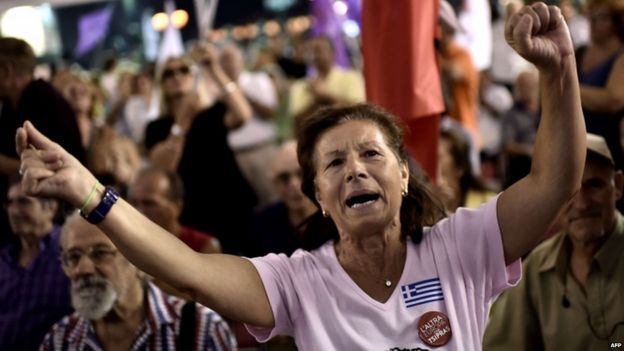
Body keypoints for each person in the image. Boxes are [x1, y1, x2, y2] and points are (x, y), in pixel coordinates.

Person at [17, 3, 585, 349]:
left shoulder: (460, 246)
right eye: (335, 163)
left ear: (405, 177)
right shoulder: (297, 282)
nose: (355, 169)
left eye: (371, 155)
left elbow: (553, 183)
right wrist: (90, 192)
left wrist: (559, 73)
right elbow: (188, 274)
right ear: (319, 196)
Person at [483, 134, 624, 350]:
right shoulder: (538, 267)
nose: (582, 204)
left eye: (594, 185)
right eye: (568, 192)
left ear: (618, 186)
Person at [40, 213, 236, 351]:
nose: (82, 269)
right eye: (73, 257)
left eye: (100, 253)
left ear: (141, 263)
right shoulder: (61, 339)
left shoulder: (201, 329)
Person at [144, 46, 257, 255]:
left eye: (183, 70)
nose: (176, 76)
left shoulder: (212, 113)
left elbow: (243, 114)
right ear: (162, 84)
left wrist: (214, 67)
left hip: (230, 201)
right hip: (193, 209)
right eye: (168, 73)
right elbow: (163, 167)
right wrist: (182, 122)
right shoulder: (156, 127)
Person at [0, 37, 85, 246]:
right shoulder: (11, 105)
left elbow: (58, 165)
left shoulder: (46, 103)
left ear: (7, 69)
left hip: (49, 222)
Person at [0, 178, 72, 351]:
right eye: (10, 203)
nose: (14, 211)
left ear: (51, 207)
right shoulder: (3, 259)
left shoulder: (71, 252)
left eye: (23, 202)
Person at [248, 141, 317, 256]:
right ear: (274, 184)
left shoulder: (336, 217)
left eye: (301, 174)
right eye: (284, 178)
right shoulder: (261, 224)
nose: (294, 184)